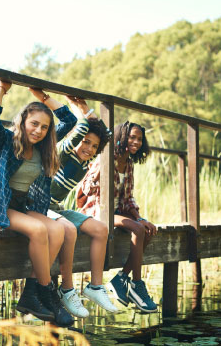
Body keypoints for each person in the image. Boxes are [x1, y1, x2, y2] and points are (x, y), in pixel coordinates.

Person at [0, 81, 77, 327]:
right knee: (38, 229)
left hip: (22, 207)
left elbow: (69, 120)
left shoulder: (43, 149)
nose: (38, 130)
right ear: (23, 121)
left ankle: (31, 293)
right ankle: (47, 292)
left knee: (56, 229)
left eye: (44, 127)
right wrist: (2, 88)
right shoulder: (5, 140)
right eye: (34, 123)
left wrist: (43, 97)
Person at [47, 96, 118, 317]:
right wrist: (81, 110)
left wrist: (85, 107)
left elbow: (105, 135)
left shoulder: (86, 161)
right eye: (86, 142)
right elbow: (83, 130)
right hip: (38, 207)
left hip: (55, 208)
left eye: (94, 146)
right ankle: (66, 289)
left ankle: (95, 286)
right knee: (68, 229)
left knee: (100, 230)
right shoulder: (64, 152)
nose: (88, 148)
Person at [77, 121, 158, 313]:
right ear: (122, 137)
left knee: (145, 229)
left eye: (139, 139)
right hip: (96, 212)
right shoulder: (106, 158)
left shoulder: (128, 164)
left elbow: (128, 198)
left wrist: (139, 218)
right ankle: (136, 285)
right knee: (137, 229)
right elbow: (86, 188)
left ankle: (121, 278)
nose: (136, 142)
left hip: (116, 213)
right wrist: (96, 177)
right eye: (132, 137)